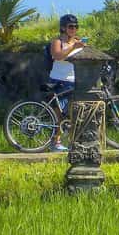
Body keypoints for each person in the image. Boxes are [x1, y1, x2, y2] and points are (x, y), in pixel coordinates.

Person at [48, 13, 85, 151]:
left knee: (74, 112)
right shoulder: (57, 42)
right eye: (70, 26)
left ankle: (74, 141)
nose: (73, 29)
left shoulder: (77, 42)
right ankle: (55, 142)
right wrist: (73, 47)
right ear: (63, 28)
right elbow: (58, 55)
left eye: (76, 27)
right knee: (59, 113)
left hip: (74, 81)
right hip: (59, 80)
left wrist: (84, 47)